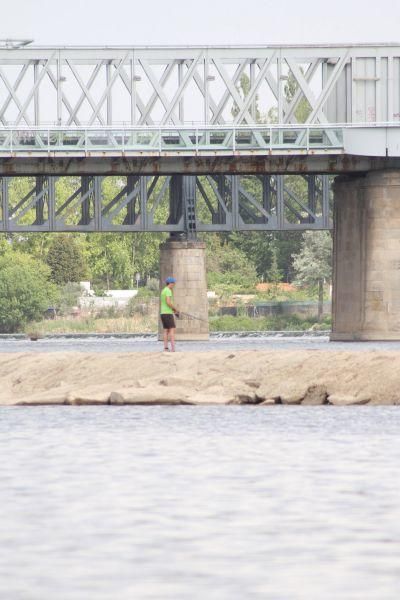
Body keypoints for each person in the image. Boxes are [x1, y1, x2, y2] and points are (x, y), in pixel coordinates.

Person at [160, 276, 179, 352]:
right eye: (173, 283)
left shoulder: (163, 290)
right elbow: (168, 302)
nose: (174, 284)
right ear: (170, 283)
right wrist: (175, 309)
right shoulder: (168, 290)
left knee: (165, 331)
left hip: (163, 313)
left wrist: (173, 310)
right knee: (172, 330)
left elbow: (164, 303)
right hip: (168, 313)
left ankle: (165, 348)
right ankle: (173, 348)